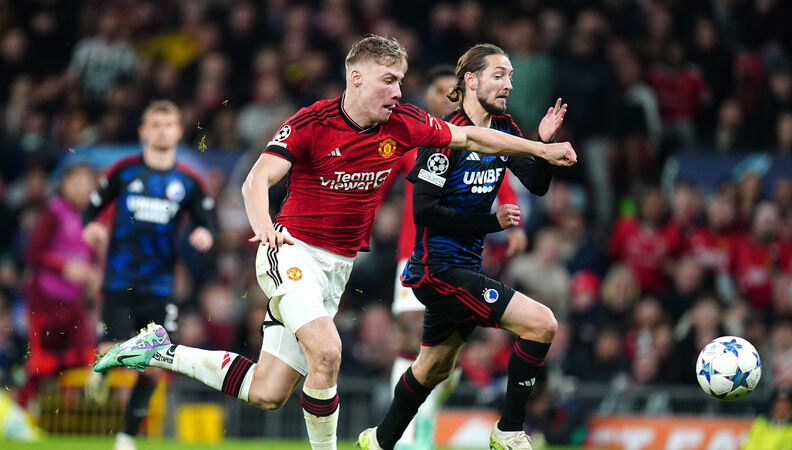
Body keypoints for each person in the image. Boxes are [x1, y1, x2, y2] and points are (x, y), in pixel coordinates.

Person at [93, 35, 575, 450]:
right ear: (356, 78)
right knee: (327, 352)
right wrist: (263, 224)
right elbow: (256, 179)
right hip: (290, 252)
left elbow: (473, 140)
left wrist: (540, 149)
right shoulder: (312, 123)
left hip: (336, 268)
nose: (399, 91)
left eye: (401, 81)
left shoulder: (404, 123)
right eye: (389, 80)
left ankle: (159, 351)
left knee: (268, 390)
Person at [358, 43, 567, 450]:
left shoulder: (505, 128)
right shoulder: (444, 136)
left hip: (464, 269)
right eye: (499, 75)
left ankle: (378, 441)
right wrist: (491, 223)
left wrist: (543, 143)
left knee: (433, 368)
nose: (508, 84)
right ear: (471, 80)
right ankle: (509, 430)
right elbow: (425, 211)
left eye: (510, 76)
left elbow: (536, 185)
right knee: (542, 323)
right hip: (436, 270)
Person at [388, 65, 530, 450]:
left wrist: (514, 227)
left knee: (443, 357)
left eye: (445, 90)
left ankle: (425, 418)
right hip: (415, 252)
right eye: (434, 90)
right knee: (410, 335)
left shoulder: (477, 135)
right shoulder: (415, 138)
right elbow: (381, 181)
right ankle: (406, 439)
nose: (440, 97)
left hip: (461, 257)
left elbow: (500, 174)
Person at [81, 100, 216, 450]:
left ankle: (127, 437)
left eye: (168, 124)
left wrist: (205, 233)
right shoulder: (123, 171)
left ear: (178, 131)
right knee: (112, 351)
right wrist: (91, 226)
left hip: (160, 286)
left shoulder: (188, 181)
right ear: (143, 131)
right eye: (155, 124)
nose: (161, 131)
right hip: (119, 282)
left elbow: (207, 221)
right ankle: (103, 370)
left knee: (156, 365)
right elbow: (90, 209)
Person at [21, 163, 102, 406]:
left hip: (73, 303)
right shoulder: (54, 211)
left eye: (86, 184)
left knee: (85, 357)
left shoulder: (91, 219)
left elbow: (89, 258)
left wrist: (93, 275)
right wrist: (64, 267)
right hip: (45, 302)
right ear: (65, 185)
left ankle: (69, 414)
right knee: (41, 363)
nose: (80, 189)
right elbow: (34, 252)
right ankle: (21, 411)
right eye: (75, 183)